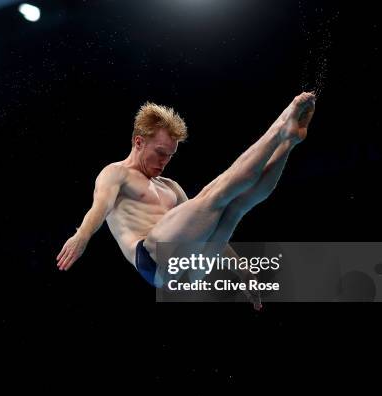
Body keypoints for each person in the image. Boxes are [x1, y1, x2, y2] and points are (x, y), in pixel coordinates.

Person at [57, 92, 316, 310]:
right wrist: (82, 237)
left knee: (237, 206)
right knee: (215, 192)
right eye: (160, 153)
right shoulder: (116, 173)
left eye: (170, 155)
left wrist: (243, 273)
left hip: (187, 274)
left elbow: (203, 228)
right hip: (152, 260)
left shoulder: (170, 187)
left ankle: (288, 142)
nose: (164, 162)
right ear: (138, 142)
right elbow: (99, 208)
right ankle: (280, 126)